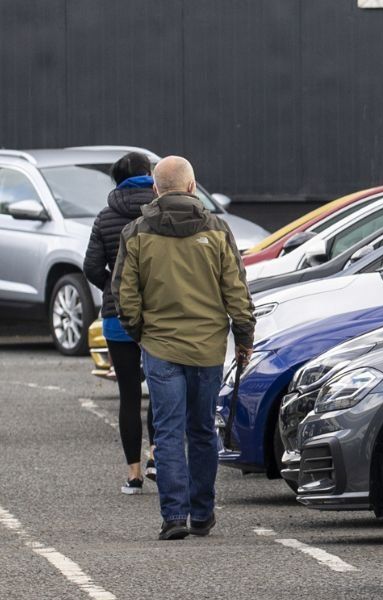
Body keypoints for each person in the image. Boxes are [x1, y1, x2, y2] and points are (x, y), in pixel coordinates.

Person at [113, 156, 254, 540]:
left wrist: (140, 331)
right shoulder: (217, 230)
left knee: (168, 432)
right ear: (192, 187)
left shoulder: (137, 233)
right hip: (207, 347)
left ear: (156, 190)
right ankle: (202, 513)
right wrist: (243, 337)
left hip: (160, 346)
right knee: (203, 430)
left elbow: (124, 294)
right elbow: (236, 291)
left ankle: (173, 516)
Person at [83, 152, 158, 494]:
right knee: (161, 389)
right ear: (149, 174)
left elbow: (91, 267)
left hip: (117, 317)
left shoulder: (105, 216)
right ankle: (158, 456)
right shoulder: (161, 210)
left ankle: (133, 474)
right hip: (160, 314)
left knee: (129, 395)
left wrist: (113, 289)